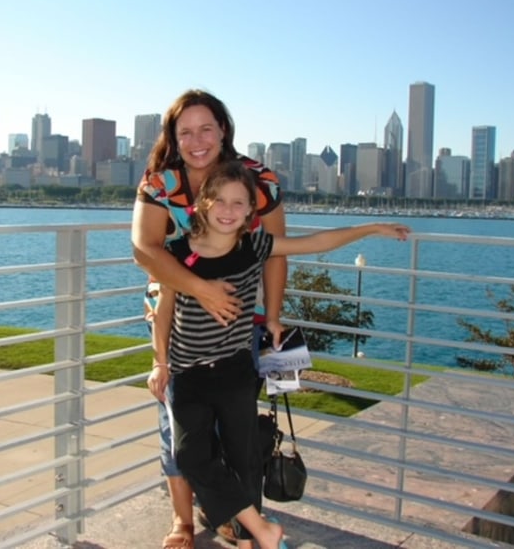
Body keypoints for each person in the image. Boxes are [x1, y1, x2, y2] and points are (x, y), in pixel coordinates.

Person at [150, 160, 411, 549]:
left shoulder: (256, 246)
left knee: (243, 458)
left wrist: (371, 228)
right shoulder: (177, 251)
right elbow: (164, 312)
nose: (228, 210)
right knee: (190, 456)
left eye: (239, 203)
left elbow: (317, 242)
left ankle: (249, 537)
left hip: (235, 371)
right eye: (220, 200)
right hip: (188, 373)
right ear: (203, 203)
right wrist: (160, 362)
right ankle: (261, 529)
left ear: (250, 213)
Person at [131, 89, 287, 548]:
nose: (197, 140)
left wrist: (273, 316)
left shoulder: (257, 179)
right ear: (173, 138)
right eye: (185, 132)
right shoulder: (161, 183)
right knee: (177, 426)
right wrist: (200, 289)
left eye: (206, 128)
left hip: (240, 321)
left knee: (235, 430)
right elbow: (144, 249)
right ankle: (183, 521)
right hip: (175, 318)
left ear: (223, 130)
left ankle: (237, 522)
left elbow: (276, 254)